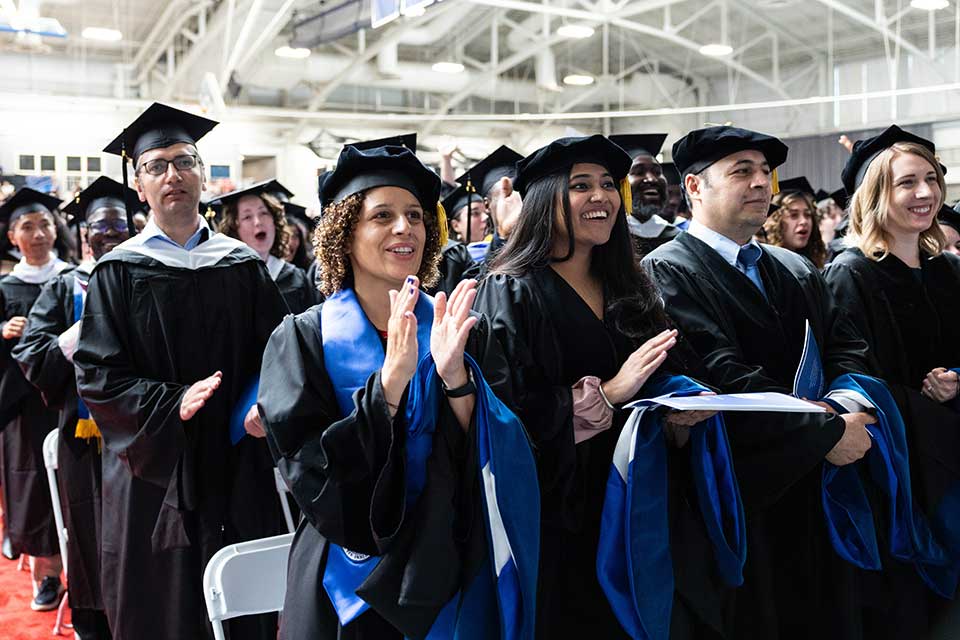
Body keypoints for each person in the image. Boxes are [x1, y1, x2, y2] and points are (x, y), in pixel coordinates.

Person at [258, 141, 538, 639]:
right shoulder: (301, 338)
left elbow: (502, 453)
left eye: (414, 215)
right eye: (381, 216)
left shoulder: (454, 326)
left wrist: (455, 379)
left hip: (447, 560)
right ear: (345, 234)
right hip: (343, 577)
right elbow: (309, 474)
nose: (404, 228)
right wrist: (388, 387)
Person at [474, 135, 743, 639]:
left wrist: (682, 410)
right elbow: (505, 418)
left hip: (643, 502)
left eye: (606, 184)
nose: (602, 196)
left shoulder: (630, 284)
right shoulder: (510, 289)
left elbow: (667, 369)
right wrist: (611, 392)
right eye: (580, 186)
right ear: (544, 198)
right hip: (563, 517)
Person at [642, 125, 879, 640]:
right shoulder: (665, 271)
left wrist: (845, 406)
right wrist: (828, 432)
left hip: (816, 484)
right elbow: (720, 372)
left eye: (763, 173)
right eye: (741, 172)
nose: (760, 184)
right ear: (695, 187)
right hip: (740, 490)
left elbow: (845, 344)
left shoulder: (792, 267)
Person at [73, 103, 288, 640]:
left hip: (237, 456)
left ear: (202, 175)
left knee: (243, 603)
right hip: (155, 470)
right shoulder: (117, 271)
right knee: (163, 606)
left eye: (185, 161)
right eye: (156, 165)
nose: (173, 174)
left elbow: (280, 352)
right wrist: (173, 402)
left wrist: (267, 401)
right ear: (139, 187)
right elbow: (98, 376)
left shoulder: (240, 265)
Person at [824, 125, 960, 638]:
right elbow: (852, 377)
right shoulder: (850, 274)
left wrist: (956, 380)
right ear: (876, 193)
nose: (925, 193)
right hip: (901, 466)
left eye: (931, 179)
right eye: (906, 183)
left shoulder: (948, 270)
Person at [12, 176, 133, 639]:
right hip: (88, 445)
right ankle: (97, 622)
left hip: (145, 433)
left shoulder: (147, 273)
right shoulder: (66, 287)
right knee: (93, 536)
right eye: (100, 225)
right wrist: (77, 333)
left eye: (119, 224)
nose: (109, 233)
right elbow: (31, 353)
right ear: (84, 231)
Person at [0, 187, 71, 611]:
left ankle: (81, 570)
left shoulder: (73, 278)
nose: (39, 233)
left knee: (74, 486)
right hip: (24, 407)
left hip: (68, 401)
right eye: (28, 226)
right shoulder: (6, 286)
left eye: (45, 223)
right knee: (32, 486)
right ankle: (47, 573)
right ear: (12, 237)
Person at [214, 180, 316, 313]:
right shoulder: (224, 280)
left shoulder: (297, 278)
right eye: (247, 217)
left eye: (263, 213)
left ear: (274, 221)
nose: (258, 222)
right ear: (234, 228)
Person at [457, 145, 524, 280]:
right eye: (505, 196)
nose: (515, 204)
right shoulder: (472, 257)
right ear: (487, 205)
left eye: (520, 196)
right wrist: (503, 236)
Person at [609, 133, 680, 257]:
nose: (651, 179)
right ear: (619, 183)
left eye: (657, 172)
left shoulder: (676, 236)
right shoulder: (609, 236)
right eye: (638, 172)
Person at [762, 177, 828, 269]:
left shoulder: (814, 265)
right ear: (776, 221)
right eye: (794, 215)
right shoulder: (764, 265)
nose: (804, 221)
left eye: (808, 215)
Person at [662, 161, 689, 228]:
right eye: (668, 193)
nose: (674, 201)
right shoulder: (634, 229)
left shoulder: (688, 229)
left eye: (678, 194)